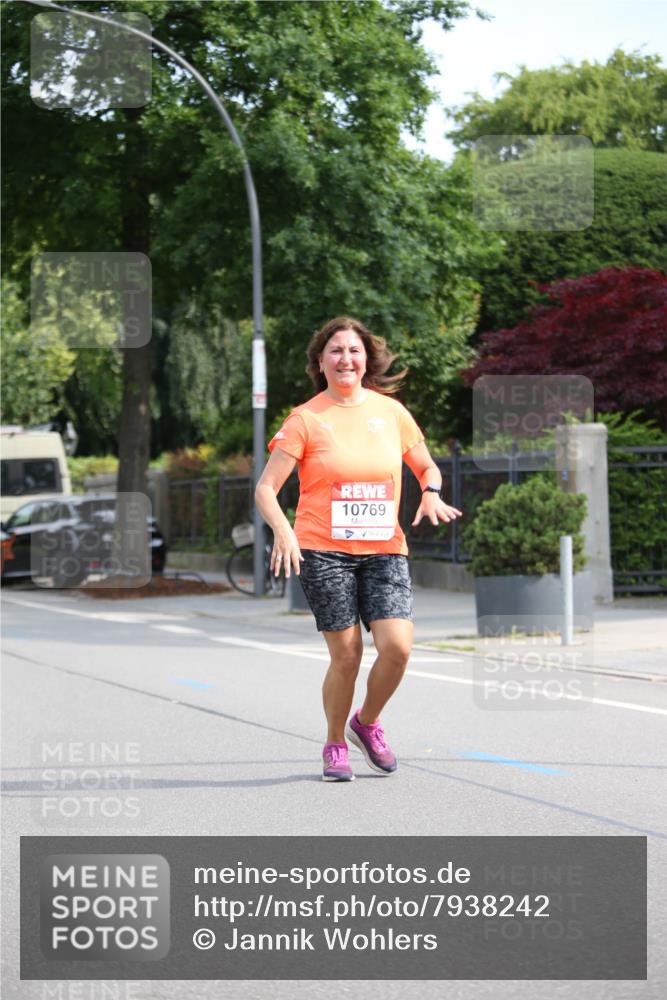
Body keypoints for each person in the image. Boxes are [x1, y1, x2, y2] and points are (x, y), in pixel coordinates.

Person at [255, 316, 462, 782]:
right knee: (346, 655)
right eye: (336, 351)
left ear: (366, 359)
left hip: (384, 549)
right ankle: (333, 744)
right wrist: (285, 532)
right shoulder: (305, 419)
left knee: (398, 648)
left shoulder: (391, 413)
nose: (346, 358)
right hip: (323, 550)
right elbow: (266, 489)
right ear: (320, 363)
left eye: (354, 350)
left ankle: (365, 723)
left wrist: (431, 492)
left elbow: (427, 467)